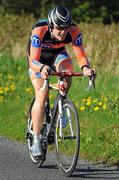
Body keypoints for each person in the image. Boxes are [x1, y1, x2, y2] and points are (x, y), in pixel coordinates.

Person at [27, 5, 93, 159]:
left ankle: (61, 106)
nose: (63, 32)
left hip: (58, 54)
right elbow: (33, 61)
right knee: (42, 94)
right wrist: (42, 68)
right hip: (38, 59)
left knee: (68, 71)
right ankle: (36, 140)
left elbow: (81, 56)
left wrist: (85, 68)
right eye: (58, 28)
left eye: (66, 28)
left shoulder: (74, 31)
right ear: (51, 25)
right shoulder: (39, 31)